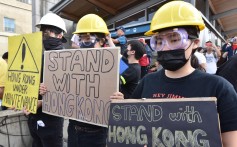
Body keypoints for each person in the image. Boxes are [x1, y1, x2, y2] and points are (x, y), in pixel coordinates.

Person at [110, 1, 237, 147]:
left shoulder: (219, 88)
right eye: (159, 41)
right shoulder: (147, 82)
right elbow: (132, 129)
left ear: (195, 42)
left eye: (175, 39)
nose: (166, 47)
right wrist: (122, 105)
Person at [68, 14, 115, 147]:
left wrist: (110, 41)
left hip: (96, 133)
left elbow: (122, 66)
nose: (84, 43)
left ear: (101, 41)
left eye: (89, 39)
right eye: (82, 39)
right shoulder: (72, 62)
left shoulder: (113, 63)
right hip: (73, 129)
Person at [25, 13, 67, 147]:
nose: (44, 37)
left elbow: (69, 93)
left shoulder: (67, 59)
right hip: (34, 118)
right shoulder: (41, 57)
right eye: (42, 34)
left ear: (59, 36)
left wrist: (42, 102)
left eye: (47, 34)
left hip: (51, 121)